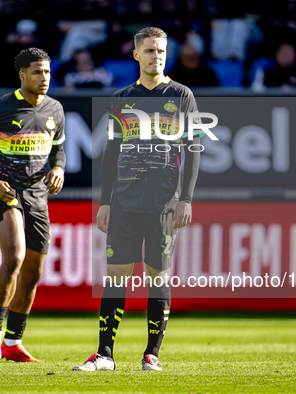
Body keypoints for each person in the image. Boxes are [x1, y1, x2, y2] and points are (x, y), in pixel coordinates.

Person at [73, 27, 202, 372]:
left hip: (164, 203)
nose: (155, 56)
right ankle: (104, 355)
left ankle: (151, 355)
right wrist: (105, 201)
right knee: (116, 273)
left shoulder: (181, 95)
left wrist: (186, 199)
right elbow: (111, 152)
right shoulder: (122, 97)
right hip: (125, 201)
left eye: (160, 51)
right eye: (149, 51)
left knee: (157, 276)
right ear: (135, 54)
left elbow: (193, 150)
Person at [0, 48, 65, 363]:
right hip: (4, 190)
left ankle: (13, 342)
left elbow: (58, 150)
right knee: (14, 258)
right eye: (36, 72)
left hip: (37, 194)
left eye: (47, 72)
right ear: (22, 75)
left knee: (33, 272)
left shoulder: (55, 109)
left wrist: (58, 168)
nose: (43, 78)